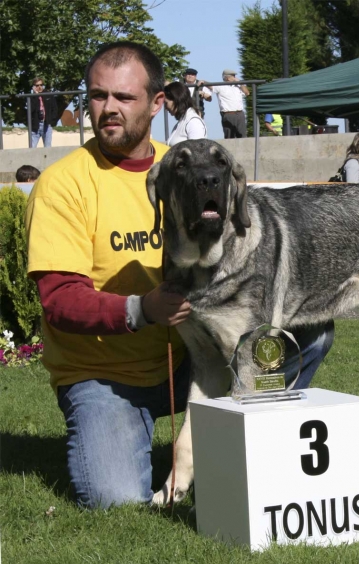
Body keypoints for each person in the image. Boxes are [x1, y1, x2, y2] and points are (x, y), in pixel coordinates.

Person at [25, 41, 333, 510]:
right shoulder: (63, 184)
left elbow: (245, 237)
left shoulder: (187, 164)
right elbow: (59, 299)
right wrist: (141, 308)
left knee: (305, 336)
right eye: (97, 96)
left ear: (156, 103)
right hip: (107, 376)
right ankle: (168, 432)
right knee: (115, 498)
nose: (108, 109)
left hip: (190, 356)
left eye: (124, 98)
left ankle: (239, 450)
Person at [207, 69, 250, 139]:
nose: (235, 78)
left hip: (240, 114)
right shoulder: (220, 86)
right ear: (227, 78)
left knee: (243, 136)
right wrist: (203, 81)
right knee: (230, 136)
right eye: (233, 76)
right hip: (228, 114)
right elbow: (210, 86)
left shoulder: (238, 86)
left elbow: (247, 93)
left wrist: (240, 83)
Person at [164, 81, 207, 145]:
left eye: (166, 103)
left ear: (176, 100)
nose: (165, 107)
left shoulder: (193, 122)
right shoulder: (182, 122)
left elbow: (197, 152)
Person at [30, 77, 58, 148]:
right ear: (33, 87)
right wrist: (36, 96)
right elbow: (31, 110)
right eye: (37, 85)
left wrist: (51, 120)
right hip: (35, 126)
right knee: (32, 148)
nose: (39, 87)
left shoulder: (48, 95)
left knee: (47, 148)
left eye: (41, 85)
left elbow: (54, 108)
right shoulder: (31, 97)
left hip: (47, 125)